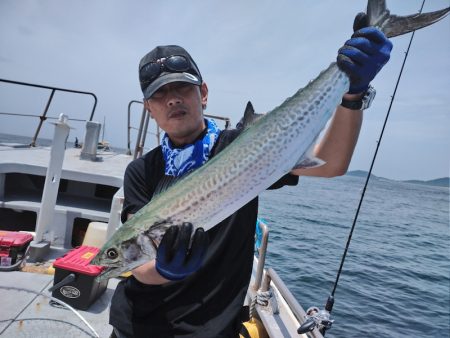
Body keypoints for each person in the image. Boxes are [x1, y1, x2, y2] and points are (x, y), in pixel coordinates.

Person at [109, 19, 393, 338]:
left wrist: (351, 96)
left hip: (211, 329)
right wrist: (163, 270)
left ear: (202, 94)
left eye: (181, 87)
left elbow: (330, 163)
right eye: (160, 95)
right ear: (149, 108)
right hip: (135, 325)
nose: (172, 99)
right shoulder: (142, 170)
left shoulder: (243, 147)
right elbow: (137, 262)